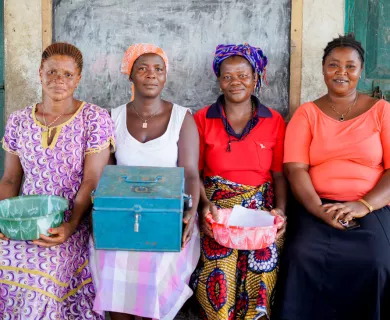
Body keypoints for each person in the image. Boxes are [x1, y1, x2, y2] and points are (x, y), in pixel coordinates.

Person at [273, 34, 390, 320]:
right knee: (300, 257)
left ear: (360, 70)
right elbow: (295, 169)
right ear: (323, 68)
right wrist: (318, 210)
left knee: (376, 262)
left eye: (350, 66)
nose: (341, 72)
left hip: (370, 207)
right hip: (316, 206)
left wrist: (362, 205)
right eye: (333, 65)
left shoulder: (382, 111)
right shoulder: (306, 114)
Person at [0, 42, 115, 319]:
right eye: (51, 72)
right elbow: (9, 179)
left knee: (40, 278)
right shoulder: (18, 120)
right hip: (21, 222)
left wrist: (70, 224)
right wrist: (3, 219)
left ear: (78, 78)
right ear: (40, 73)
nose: (58, 80)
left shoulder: (94, 119)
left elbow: (92, 180)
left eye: (66, 74)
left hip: (68, 224)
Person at [90, 43, 201, 320]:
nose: (151, 74)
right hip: (121, 214)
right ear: (130, 75)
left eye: (158, 69)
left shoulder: (181, 117)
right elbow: (105, 174)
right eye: (142, 68)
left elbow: (190, 173)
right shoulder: (112, 118)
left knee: (158, 262)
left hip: (168, 215)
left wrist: (189, 214)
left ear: (165, 76)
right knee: (113, 260)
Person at [190, 43, 287, 320]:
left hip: (261, 210)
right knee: (219, 268)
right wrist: (204, 207)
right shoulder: (202, 119)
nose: (236, 82)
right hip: (217, 208)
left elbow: (279, 175)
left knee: (263, 268)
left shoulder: (274, 121)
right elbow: (194, 173)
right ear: (219, 81)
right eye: (228, 76)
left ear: (256, 79)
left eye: (243, 75)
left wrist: (280, 211)